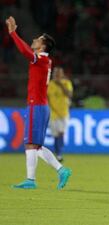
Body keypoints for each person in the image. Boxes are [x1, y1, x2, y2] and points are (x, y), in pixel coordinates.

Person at [6, 16, 71, 189]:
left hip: (37, 106)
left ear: (42, 46)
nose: (34, 40)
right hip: (40, 106)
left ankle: (31, 180)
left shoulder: (41, 59)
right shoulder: (44, 60)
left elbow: (25, 51)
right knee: (36, 146)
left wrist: (13, 33)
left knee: (30, 144)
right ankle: (60, 170)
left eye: (38, 39)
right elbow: (29, 51)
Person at [47, 67, 73, 162]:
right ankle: (58, 154)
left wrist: (61, 85)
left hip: (64, 112)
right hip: (53, 112)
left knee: (62, 133)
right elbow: (47, 97)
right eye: (55, 74)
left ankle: (59, 153)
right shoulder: (50, 85)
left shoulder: (67, 83)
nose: (57, 75)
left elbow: (69, 95)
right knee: (56, 134)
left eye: (59, 74)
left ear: (62, 74)